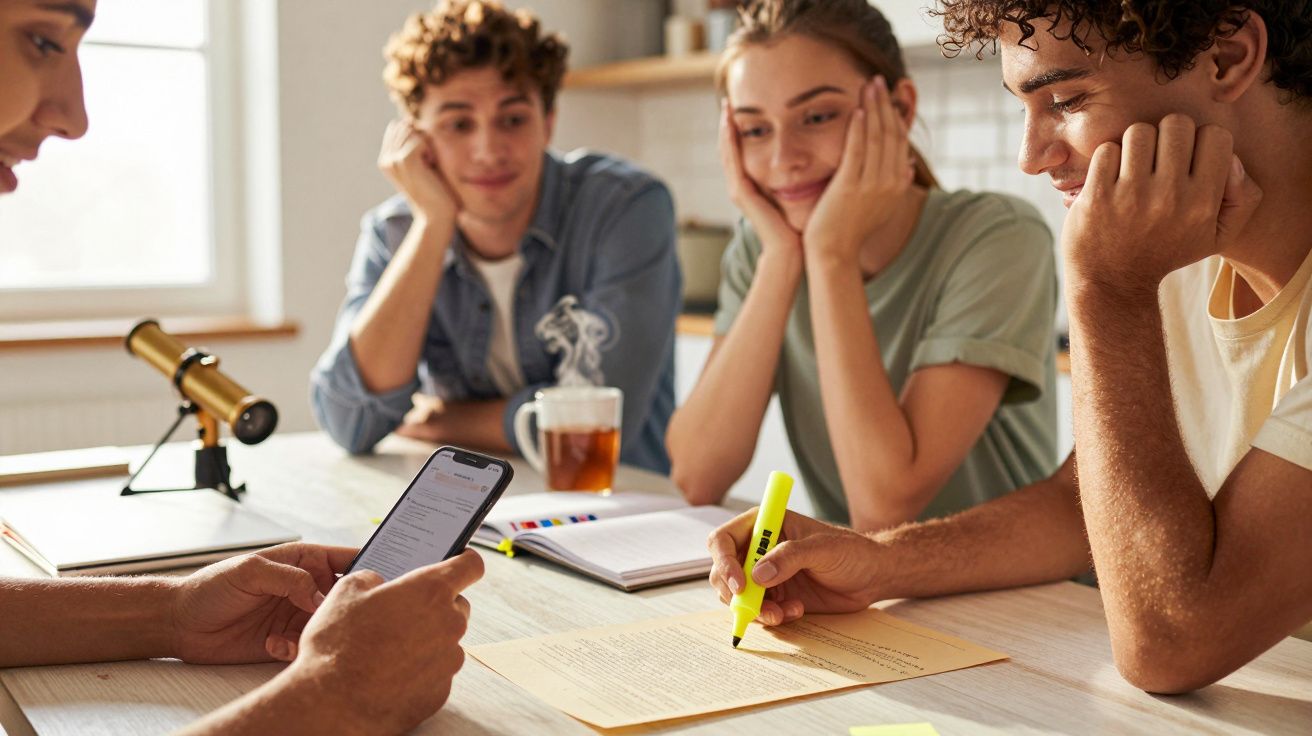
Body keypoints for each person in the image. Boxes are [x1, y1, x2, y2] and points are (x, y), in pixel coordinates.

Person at [707, 0, 1312, 694]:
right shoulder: (1186, 242)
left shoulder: (1136, 259)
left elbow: (1170, 644)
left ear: (1229, 57)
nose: (1031, 158)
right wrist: (879, 563)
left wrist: (1104, 291)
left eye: (1065, 98)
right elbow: (1079, 506)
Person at [0, 1, 480, 733]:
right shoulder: (393, 228)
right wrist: (335, 697)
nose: (76, 117)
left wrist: (173, 610)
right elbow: (352, 413)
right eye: (41, 40)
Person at [667, 0, 1059, 531]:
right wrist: (783, 258)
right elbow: (696, 475)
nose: (785, 159)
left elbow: (886, 508)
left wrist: (831, 254)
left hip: (1021, 604)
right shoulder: (765, 248)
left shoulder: (997, 236)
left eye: (818, 117)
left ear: (898, 109)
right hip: (863, 593)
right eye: (755, 129)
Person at [310, 0, 681, 474]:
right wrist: (432, 226)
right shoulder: (396, 232)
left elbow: (597, 426)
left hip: (625, 503)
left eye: (512, 119)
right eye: (458, 124)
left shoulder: (624, 206)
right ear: (416, 139)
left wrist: (444, 420)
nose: (488, 151)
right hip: (471, 507)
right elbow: (349, 422)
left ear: (548, 122)